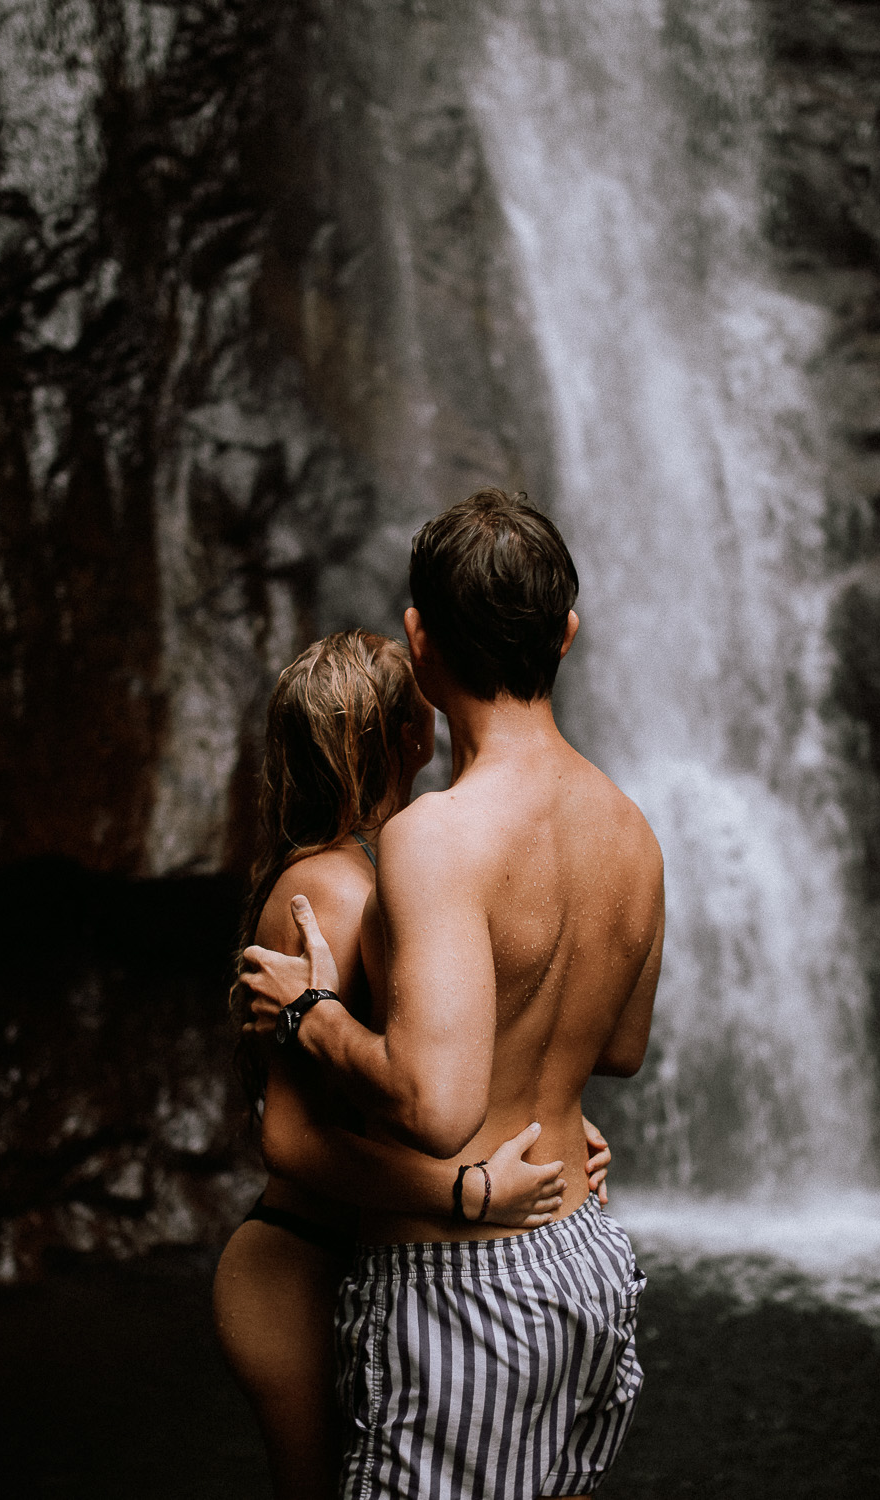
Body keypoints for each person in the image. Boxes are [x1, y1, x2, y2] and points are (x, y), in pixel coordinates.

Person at [240, 490, 666, 1500]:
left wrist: (311, 1016)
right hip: (586, 1254)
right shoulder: (633, 827)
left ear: (420, 641)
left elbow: (439, 1109)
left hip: (467, 1282)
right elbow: (620, 1051)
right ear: (567, 633)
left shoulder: (433, 835)